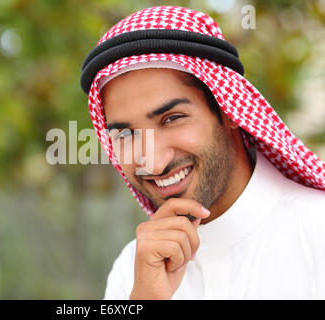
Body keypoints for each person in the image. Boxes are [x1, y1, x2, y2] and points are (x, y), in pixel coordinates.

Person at [79, 6, 325, 299]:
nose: (155, 163)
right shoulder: (132, 271)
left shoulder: (316, 231)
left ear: (230, 110)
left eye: (172, 118)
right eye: (125, 135)